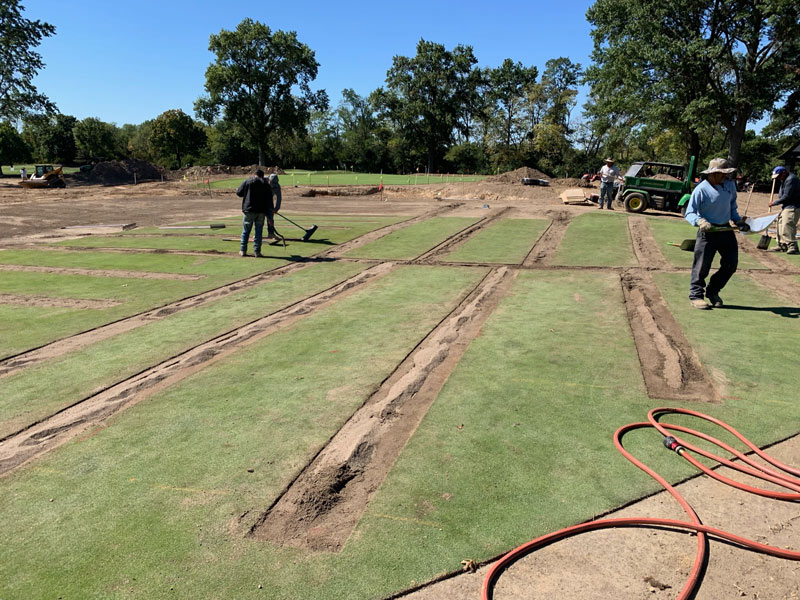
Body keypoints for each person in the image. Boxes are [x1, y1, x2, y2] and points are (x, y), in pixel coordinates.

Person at [684, 158, 750, 309]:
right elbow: (689, 212)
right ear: (712, 174)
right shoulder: (701, 189)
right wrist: (700, 221)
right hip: (708, 231)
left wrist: (738, 221)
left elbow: (732, 206)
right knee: (702, 266)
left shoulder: (729, 185)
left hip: (725, 229)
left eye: (726, 173)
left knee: (731, 263)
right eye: (721, 174)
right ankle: (696, 296)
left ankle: (713, 291)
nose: (725, 176)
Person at [236, 169, 270, 257]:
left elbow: (239, 193)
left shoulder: (247, 181)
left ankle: (243, 250)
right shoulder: (265, 184)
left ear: (254, 174)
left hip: (249, 210)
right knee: (258, 232)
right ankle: (257, 252)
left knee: (246, 231)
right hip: (261, 211)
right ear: (262, 176)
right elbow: (269, 198)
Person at [767, 166, 800, 255]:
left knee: (787, 225)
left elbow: (786, 196)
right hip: (786, 206)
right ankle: (782, 245)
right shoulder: (784, 179)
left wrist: (774, 203)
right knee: (780, 224)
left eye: (778, 176)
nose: (777, 178)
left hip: (792, 206)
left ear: (784, 173)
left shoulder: (791, 179)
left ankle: (793, 246)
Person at [267, 173, 282, 239]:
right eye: (272, 183)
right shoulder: (262, 181)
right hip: (260, 202)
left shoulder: (277, 186)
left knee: (270, 219)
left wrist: (276, 208)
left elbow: (279, 198)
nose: (273, 186)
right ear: (269, 180)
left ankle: (271, 234)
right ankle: (258, 234)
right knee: (259, 219)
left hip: (269, 202)